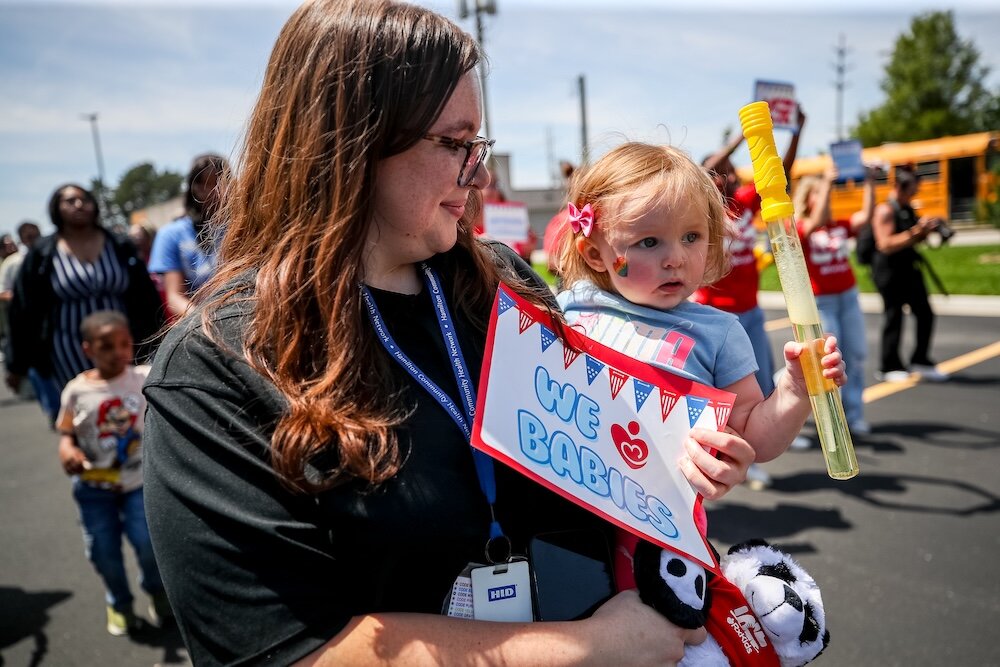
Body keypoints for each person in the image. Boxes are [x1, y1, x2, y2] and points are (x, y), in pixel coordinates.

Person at [140, 2, 751, 664]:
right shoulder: (218, 365)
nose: (481, 173)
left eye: (478, 145)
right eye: (456, 144)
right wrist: (587, 647)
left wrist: (681, 460)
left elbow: (602, 455)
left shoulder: (503, 282)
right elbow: (277, 651)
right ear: (352, 141)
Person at [553, 142, 845, 587]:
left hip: (659, 533)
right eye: (649, 242)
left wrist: (793, 390)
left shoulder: (717, 332)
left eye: (692, 237)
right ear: (595, 254)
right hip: (560, 516)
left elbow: (752, 436)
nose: (677, 257)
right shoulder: (571, 308)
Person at [694, 108, 809, 479]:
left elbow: (781, 175)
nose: (728, 173)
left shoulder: (742, 203)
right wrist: (740, 138)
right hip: (717, 315)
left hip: (751, 310)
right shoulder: (702, 211)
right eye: (721, 168)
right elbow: (699, 173)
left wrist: (795, 133)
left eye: (730, 167)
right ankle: (731, 458)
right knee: (721, 395)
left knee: (759, 388)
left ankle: (755, 451)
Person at [4, 185, 164, 426]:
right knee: (87, 413)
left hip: (124, 344)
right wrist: (16, 363)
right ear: (56, 209)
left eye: (84, 199)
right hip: (69, 349)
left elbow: (145, 296)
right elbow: (24, 310)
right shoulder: (44, 253)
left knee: (134, 408)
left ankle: (137, 460)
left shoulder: (118, 245)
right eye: (70, 201)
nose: (79, 205)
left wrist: (158, 338)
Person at [55, 310, 170, 636]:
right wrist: (68, 451)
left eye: (123, 343)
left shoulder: (144, 378)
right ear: (88, 349)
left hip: (138, 483)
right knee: (103, 551)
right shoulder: (76, 391)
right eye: (107, 346)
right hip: (94, 489)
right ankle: (118, 602)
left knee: (148, 545)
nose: (119, 352)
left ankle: (158, 592)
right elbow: (66, 433)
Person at [793, 164, 875, 435]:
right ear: (807, 199)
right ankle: (827, 419)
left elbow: (866, 218)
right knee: (826, 360)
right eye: (819, 193)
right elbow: (812, 223)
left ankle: (854, 415)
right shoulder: (799, 226)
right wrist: (827, 181)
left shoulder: (839, 225)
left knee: (856, 354)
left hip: (847, 298)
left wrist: (870, 182)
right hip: (822, 302)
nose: (827, 197)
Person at [870, 167, 948, 383]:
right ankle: (889, 365)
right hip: (889, 271)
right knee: (894, 317)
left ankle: (920, 360)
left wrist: (925, 231)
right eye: (911, 191)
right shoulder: (885, 210)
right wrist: (915, 232)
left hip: (909, 269)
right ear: (899, 187)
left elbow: (910, 239)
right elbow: (884, 244)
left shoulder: (907, 208)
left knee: (925, 313)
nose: (912, 195)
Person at [147, 153, 229, 319]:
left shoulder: (241, 227)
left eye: (226, 181)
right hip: (198, 325)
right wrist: (207, 322)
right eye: (214, 183)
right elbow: (175, 298)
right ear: (196, 189)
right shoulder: (170, 235)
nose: (223, 189)